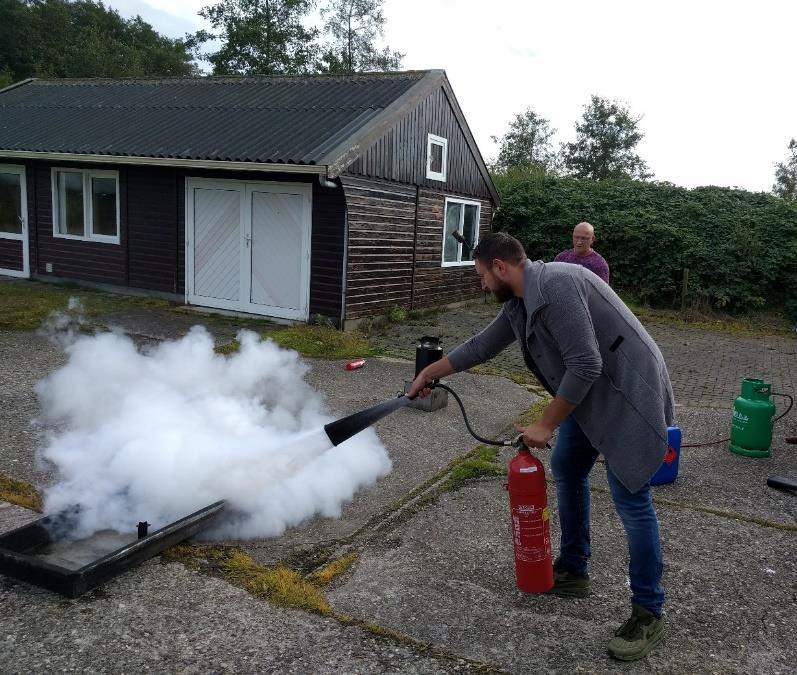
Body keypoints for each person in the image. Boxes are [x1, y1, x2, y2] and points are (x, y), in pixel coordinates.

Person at [408, 232, 674, 662]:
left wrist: (546, 424)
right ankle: (573, 568)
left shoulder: (555, 287)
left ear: (500, 267)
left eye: (480, 276)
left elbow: (587, 362)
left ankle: (648, 611)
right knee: (568, 468)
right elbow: (480, 346)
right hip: (589, 395)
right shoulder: (518, 301)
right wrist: (428, 374)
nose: (480, 285)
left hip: (627, 395)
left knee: (632, 500)